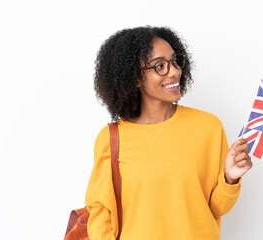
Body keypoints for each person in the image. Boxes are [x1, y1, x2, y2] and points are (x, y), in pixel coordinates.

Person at [85, 26, 252, 240]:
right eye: (160, 66)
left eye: (175, 61)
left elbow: (216, 207)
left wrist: (229, 178)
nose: (174, 71)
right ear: (134, 78)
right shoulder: (111, 138)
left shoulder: (208, 126)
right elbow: (101, 217)